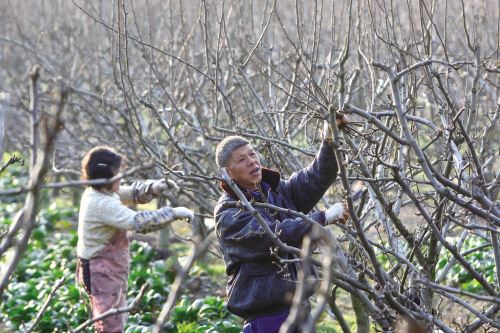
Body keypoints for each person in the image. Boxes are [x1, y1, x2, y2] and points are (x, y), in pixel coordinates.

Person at [214, 116, 350, 333]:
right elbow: (271, 235)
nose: (251, 161)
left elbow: (316, 176)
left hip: (299, 308)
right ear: (227, 173)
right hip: (266, 316)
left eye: (252, 154)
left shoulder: (278, 192)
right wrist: (322, 218)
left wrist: (329, 138)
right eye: (241, 160)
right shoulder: (228, 213)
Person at [75, 146, 193, 333]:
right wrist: (172, 214)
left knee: (112, 320)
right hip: (101, 272)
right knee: (110, 325)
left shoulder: (100, 193)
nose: (121, 176)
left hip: (109, 270)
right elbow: (138, 222)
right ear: (106, 177)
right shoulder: (101, 203)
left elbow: (128, 193)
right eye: (117, 173)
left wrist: (153, 188)